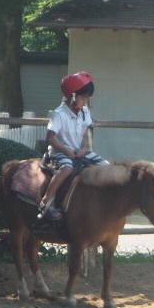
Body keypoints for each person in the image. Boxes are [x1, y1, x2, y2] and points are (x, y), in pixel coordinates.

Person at [37, 71, 108, 221]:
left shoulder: (84, 112)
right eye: (83, 98)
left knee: (106, 167)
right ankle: (46, 200)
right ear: (72, 95)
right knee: (67, 168)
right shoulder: (59, 114)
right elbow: (50, 139)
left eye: (87, 99)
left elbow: (85, 133)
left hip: (78, 150)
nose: (85, 102)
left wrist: (83, 148)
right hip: (60, 152)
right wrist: (66, 150)